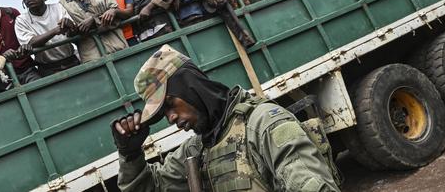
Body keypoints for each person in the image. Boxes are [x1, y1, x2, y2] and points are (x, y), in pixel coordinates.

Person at [111, 44, 341, 192]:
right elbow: (152, 188)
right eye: (163, 114)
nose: (170, 118)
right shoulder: (197, 148)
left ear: (191, 87)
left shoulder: (263, 124)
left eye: (170, 104)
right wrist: (130, 155)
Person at [60, 0, 128, 62]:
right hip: (91, 57)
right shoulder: (63, 2)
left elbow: (114, 11)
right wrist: (70, 26)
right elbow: (68, 33)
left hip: (116, 46)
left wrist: (94, 19)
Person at [14, 0, 79, 77]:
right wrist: (55, 31)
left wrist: (69, 25)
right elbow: (30, 43)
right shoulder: (21, 20)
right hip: (47, 68)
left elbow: (72, 31)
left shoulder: (58, 8)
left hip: (71, 61)